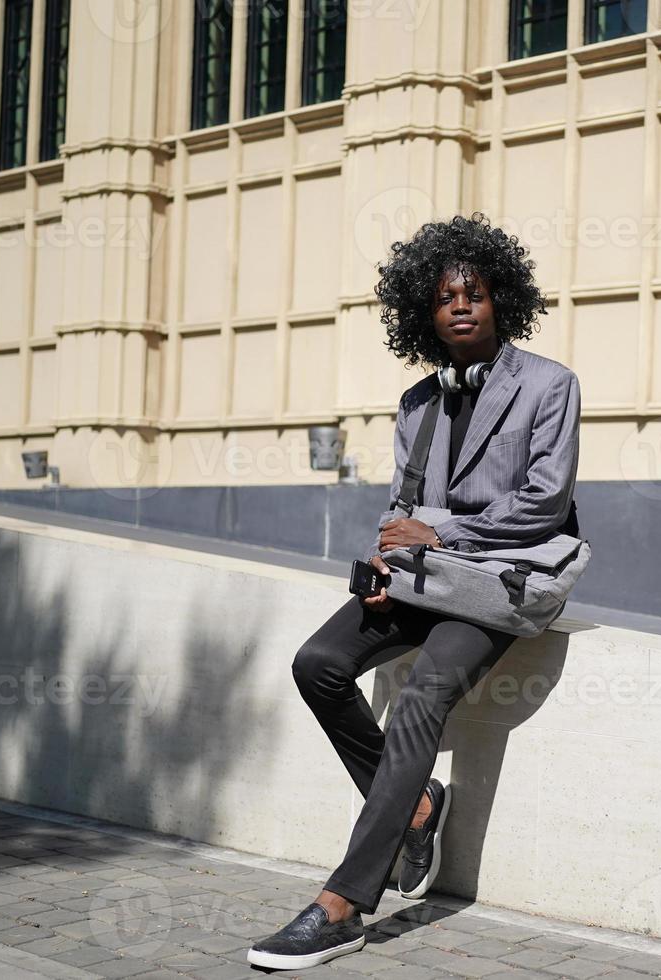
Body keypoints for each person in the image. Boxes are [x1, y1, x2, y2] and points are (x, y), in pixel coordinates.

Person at [248, 213, 581, 970]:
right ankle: (419, 804)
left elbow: (544, 501)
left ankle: (341, 904)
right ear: (423, 314)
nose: (460, 306)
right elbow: (400, 507)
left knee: (427, 689)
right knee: (318, 663)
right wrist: (381, 568)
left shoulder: (550, 386)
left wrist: (437, 534)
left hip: (499, 582)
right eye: (443, 298)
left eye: (474, 292)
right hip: (423, 580)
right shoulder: (416, 403)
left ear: (502, 300)